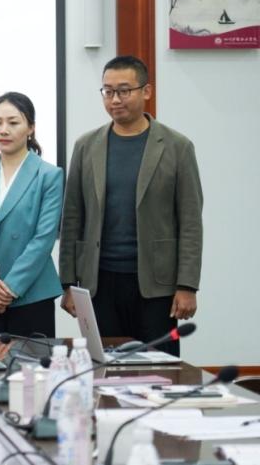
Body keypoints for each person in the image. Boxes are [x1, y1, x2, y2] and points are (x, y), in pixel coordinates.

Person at [60, 56, 203, 355]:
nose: (115, 99)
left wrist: (187, 286)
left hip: (157, 285)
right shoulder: (86, 146)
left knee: (161, 368)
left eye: (124, 90)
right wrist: (68, 283)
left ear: (146, 91)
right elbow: (72, 217)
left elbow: (190, 222)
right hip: (99, 282)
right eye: (108, 91)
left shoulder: (177, 146)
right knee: (105, 367)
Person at [0, 92, 64, 337]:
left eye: (13, 122)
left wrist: (9, 289)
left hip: (31, 295)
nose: (4, 130)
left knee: (33, 362)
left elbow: (43, 239)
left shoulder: (49, 175)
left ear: (31, 128)